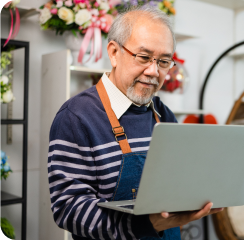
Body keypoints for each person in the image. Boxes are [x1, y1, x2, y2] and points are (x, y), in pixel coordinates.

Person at [47, 6, 222, 240]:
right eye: (144, 57)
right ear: (113, 53)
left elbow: (179, 180)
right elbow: (68, 208)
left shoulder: (163, 114)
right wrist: (144, 224)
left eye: (163, 61)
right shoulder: (76, 117)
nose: (153, 71)